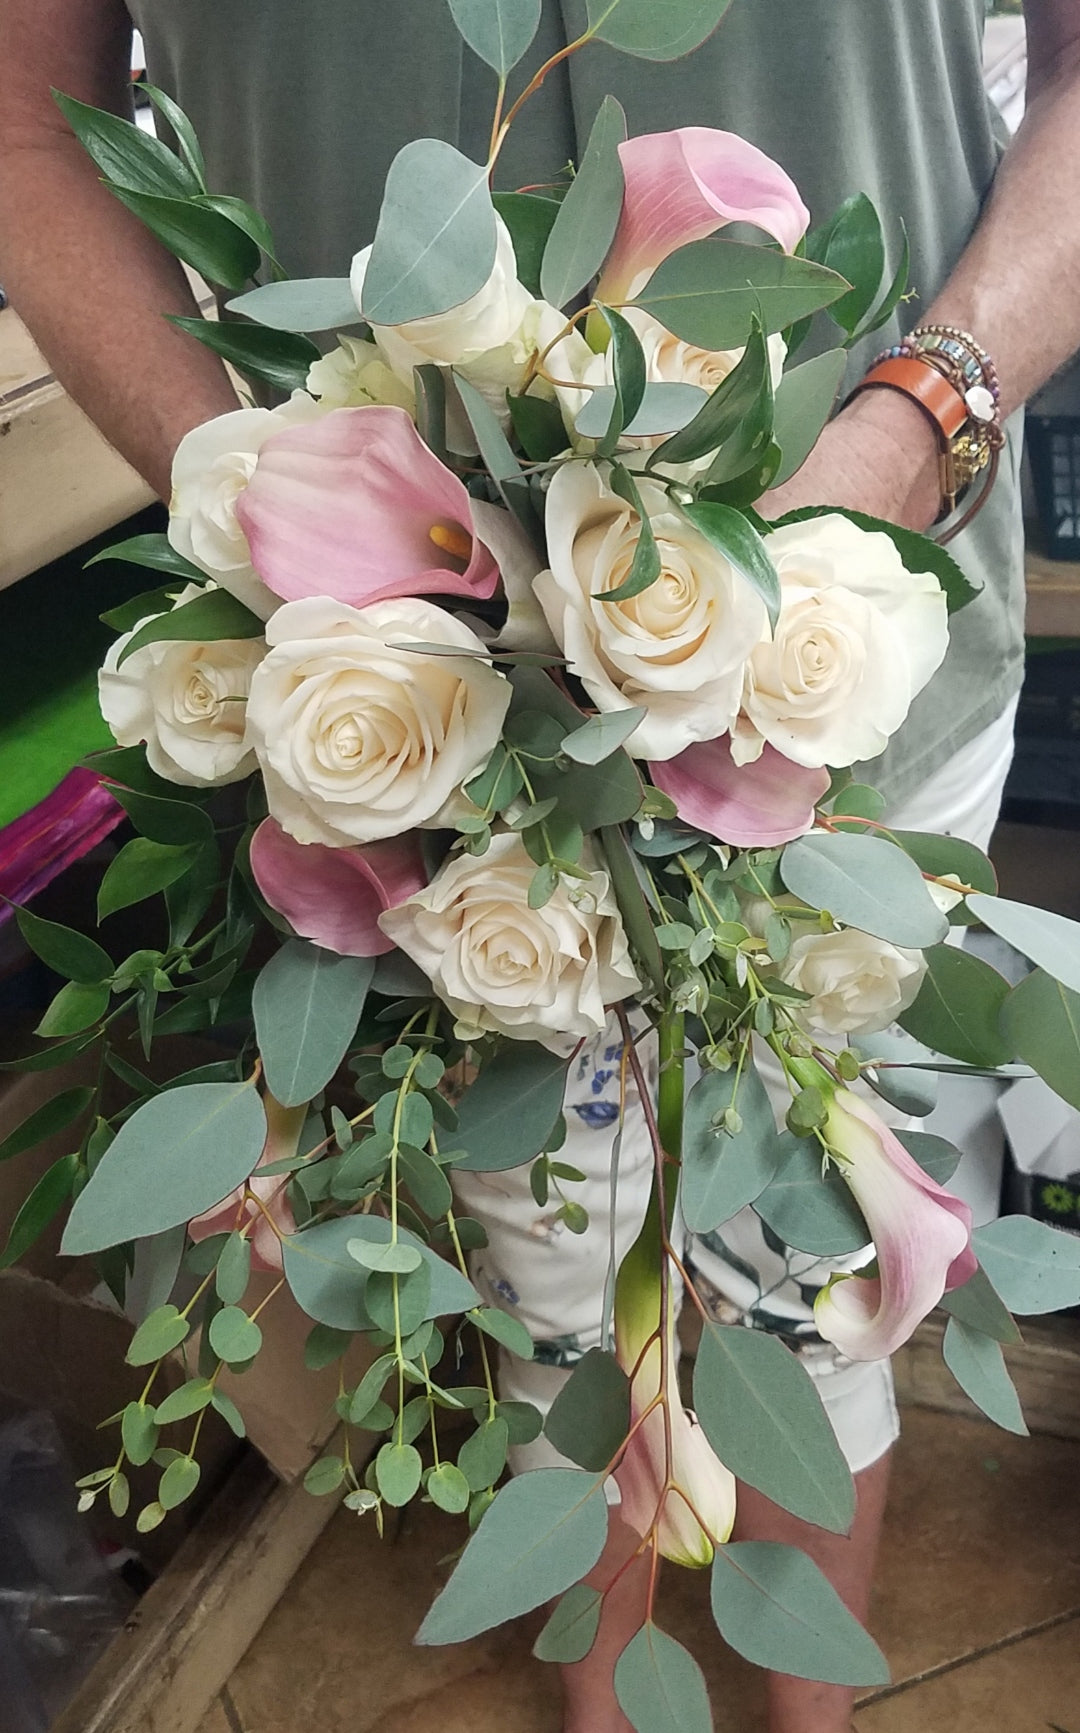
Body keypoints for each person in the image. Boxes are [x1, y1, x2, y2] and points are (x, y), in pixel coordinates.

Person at [2, 5, 1079, 1731]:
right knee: (548, 1271)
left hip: (848, 632)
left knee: (846, 1232)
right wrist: (268, 502)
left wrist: (901, 432)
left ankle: (810, 1708)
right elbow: (28, 111)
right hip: (406, 691)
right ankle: (608, 1704)